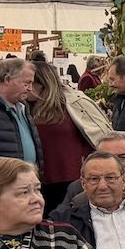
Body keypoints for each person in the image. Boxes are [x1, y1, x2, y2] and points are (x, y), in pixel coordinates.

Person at [26, 55, 90, 212]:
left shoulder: (72, 107)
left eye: (29, 83)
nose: (25, 87)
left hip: (66, 178)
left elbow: (90, 138)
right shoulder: (26, 109)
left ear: (41, 85)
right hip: (43, 178)